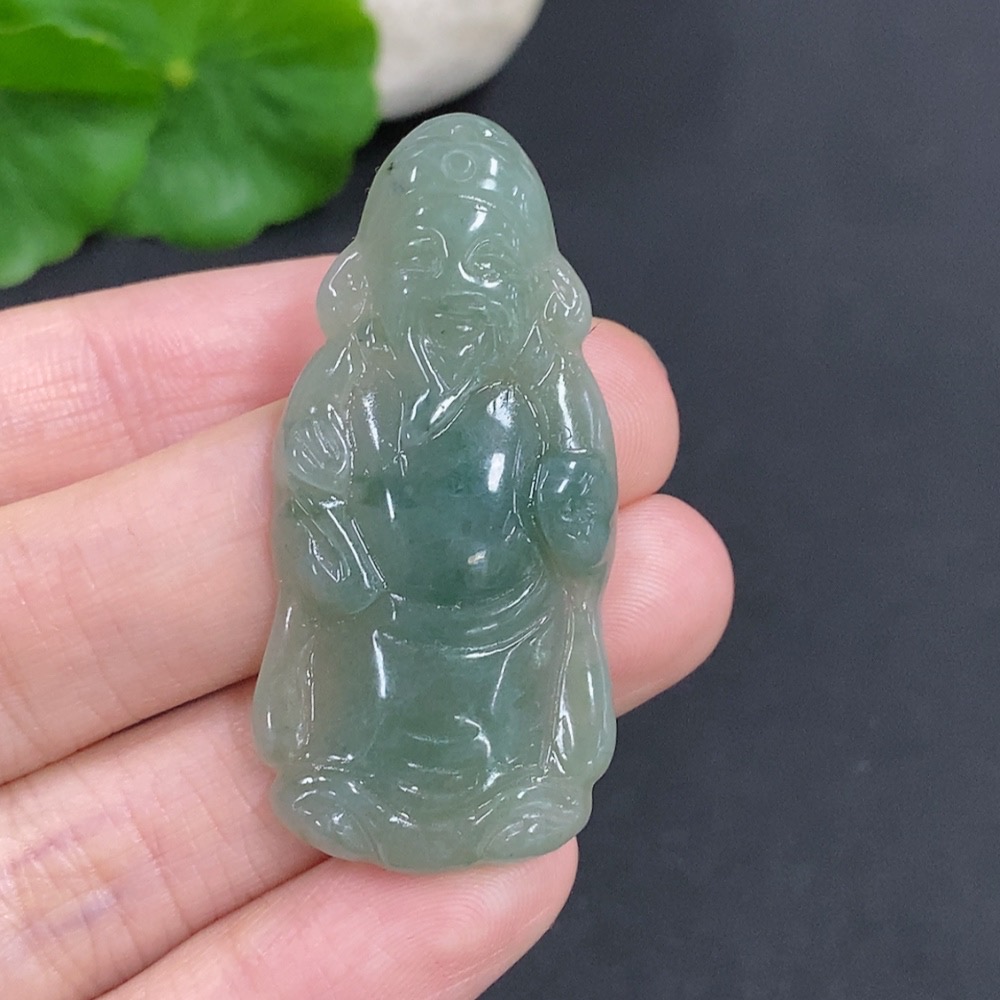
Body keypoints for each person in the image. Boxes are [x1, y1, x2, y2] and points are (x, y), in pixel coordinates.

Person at [0, 257, 733, 998]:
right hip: (383, 615)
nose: (458, 294)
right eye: (427, 266)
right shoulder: (356, 376)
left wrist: (570, 514)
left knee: (504, 713)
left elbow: (582, 514)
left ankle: (513, 789)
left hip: (505, 620)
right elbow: (311, 496)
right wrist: (333, 538)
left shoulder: (552, 382)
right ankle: (347, 782)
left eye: (486, 270)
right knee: (367, 702)